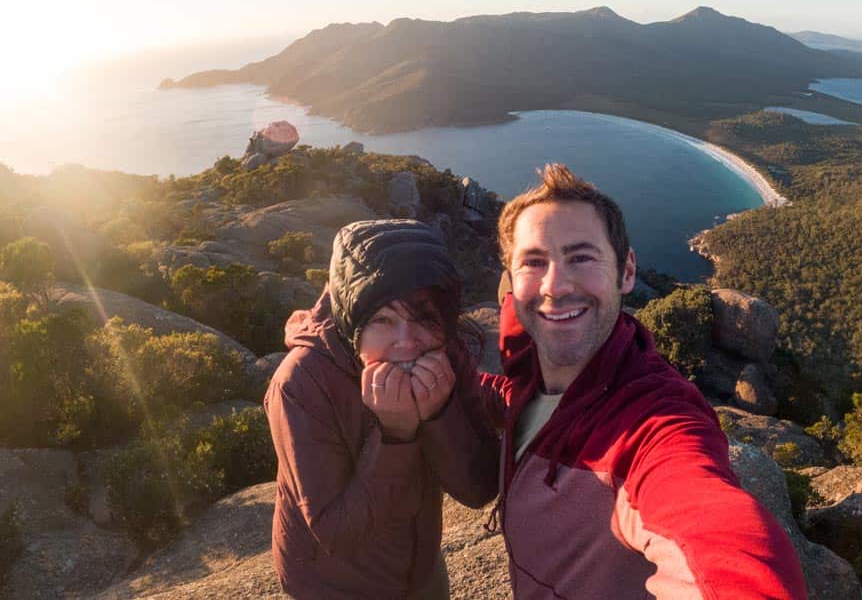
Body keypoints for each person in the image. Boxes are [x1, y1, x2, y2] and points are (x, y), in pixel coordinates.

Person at [477, 164, 807, 599]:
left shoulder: (654, 419)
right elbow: (524, 398)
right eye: (534, 262)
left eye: (581, 257)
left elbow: (713, 530)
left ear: (626, 271)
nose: (555, 285)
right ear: (512, 280)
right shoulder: (526, 364)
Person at [264, 219, 499, 599]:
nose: (406, 343)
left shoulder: (446, 353)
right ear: (350, 320)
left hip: (419, 567)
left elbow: (478, 489)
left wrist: (440, 414)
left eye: (423, 317)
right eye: (382, 320)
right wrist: (395, 435)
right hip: (334, 585)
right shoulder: (302, 384)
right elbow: (334, 534)